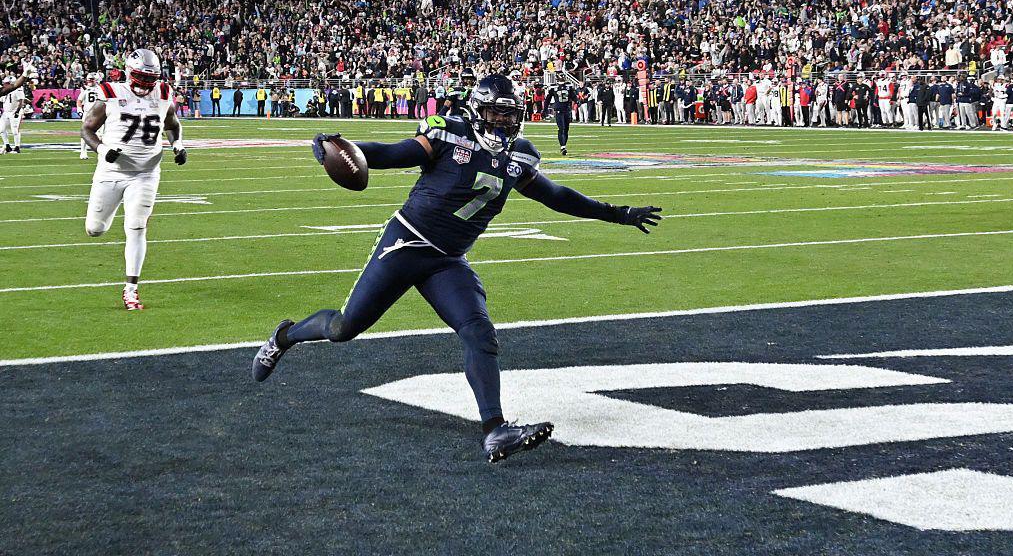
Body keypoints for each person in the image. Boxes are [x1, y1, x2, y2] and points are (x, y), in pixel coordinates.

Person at [251, 74, 662, 463]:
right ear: (478, 109)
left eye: (511, 113)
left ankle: (496, 429)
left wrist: (618, 214)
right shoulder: (449, 131)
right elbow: (394, 153)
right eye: (498, 112)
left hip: (448, 259)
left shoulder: (520, 155)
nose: (505, 121)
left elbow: (557, 196)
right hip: (407, 243)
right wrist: (343, 148)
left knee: (479, 331)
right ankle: (284, 337)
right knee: (343, 329)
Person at [79, 49, 188, 310]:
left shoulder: (163, 93)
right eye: (140, 76)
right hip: (111, 172)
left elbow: (172, 125)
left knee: (137, 227)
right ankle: (108, 215)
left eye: (149, 77)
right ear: (130, 73)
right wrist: (103, 150)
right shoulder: (111, 93)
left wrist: (178, 145)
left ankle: (131, 289)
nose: (145, 83)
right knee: (95, 229)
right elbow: (87, 129)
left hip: (146, 173)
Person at [543, 80, 576, 155]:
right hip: (559, 110)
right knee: (562, 128)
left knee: (566, 129)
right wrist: (545, 109)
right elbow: (547, 99)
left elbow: (573, 96)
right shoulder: (554, 87)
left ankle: (564, 145)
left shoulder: (568, 87)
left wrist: (577, 101)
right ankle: (562, 147)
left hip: (567, 110)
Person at [76, 73, 103, 159]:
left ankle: (101, 151)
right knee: (85, 132)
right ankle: (83, 151)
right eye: (89, 80)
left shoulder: (100, 89)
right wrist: (79, 110)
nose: (90, 81)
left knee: (101, 134)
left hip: (99, 113)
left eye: (92, 79)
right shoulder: (85, 90)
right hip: (88, 113)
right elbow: (79, 101)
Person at [0, 75, 26, 154]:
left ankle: (17, 147)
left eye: (6, 83)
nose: (5, 84)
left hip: (14, 111)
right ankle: (7, 146)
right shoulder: (5, 90)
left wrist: (17, 111)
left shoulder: (17, 89)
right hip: (6, 112)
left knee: (14, 130)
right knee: (1, 129)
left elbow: (21, 101)